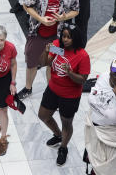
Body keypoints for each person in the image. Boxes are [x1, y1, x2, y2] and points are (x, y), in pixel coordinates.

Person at [18, 0, 79, 99]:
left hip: (57, 36)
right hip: (37, 33)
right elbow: (27, 5)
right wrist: (41, 19)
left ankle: (51, 90)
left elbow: (76, 10)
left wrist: (64, 17)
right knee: (32, 61)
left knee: (53, 63)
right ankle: (28, 88)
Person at [38, 25, 89, 166]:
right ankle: (58, 135)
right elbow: (44, 63)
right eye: (64, 36)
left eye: (69, 37)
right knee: (43, 115)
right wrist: (45, 51)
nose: (65, 40)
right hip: (53, 89)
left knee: (66, 123)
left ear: (75, 39)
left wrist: (70, 73)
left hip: (70, 96)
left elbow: (83, 80)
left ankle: (63, 148)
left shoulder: (82, 55)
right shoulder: (58, 47)